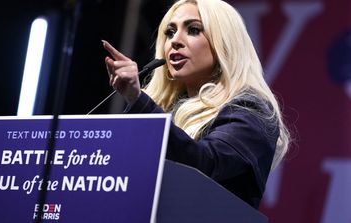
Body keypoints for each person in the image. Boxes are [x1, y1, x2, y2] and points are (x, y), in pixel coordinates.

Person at [102, 0, 290, 209]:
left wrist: (139, 102)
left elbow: (205, 166)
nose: (175, 41)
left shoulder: (250, 110)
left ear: (224, 43)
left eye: (193, 30)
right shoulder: (164, 109)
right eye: (170, 32)